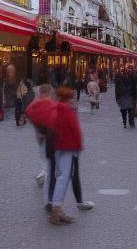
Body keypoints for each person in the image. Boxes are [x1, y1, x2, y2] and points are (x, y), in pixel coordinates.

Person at [48, 87, 83, 225]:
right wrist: (79, 146)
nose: (73, 100)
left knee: (59, 176)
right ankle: (56, 208)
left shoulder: (54, 110)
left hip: (57, 146)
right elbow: (76, 130)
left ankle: (57, 208)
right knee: (63, 178)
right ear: (68, 99)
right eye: (72, 98)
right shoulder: (68, 111)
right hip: (68, 147)